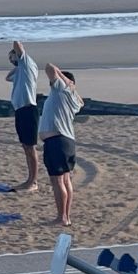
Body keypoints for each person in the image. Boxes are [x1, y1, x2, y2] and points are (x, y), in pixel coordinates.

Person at [39, 64, 84, 227]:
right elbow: (82, 102)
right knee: (65, 180)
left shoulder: (63, 90)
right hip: (64, 141)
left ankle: (62, 217)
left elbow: (49, 67)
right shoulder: (73, 97)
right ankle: (65, 216)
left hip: (57, 141)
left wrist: (64, 80)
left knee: (58, 181)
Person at [5, 40, 40, 192]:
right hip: (20, 110)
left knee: (31, 148)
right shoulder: (21, 70)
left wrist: (19, 55)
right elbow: (7, 77)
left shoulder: (27, 64)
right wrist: (16, 65)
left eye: (11, 57)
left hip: (28, 109)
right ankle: (29, 179)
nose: (11, 61)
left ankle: (33, 181)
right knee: (26, 147)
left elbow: (17, 44)